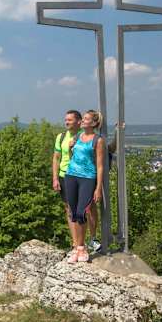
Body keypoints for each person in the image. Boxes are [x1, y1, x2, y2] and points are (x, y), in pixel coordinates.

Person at [52, 110, 101, 254]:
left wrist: (118, 136)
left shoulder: (85, 135)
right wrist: (55, 178)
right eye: (65, 119)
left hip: (85, 176)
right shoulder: (61, 137)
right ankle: (76, 243)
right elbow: (56, 157)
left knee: (88, 208)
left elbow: (103, 150)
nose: (66, 122)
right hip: (65, 175)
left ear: (78, 121)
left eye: (70, 120)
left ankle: (92, 239)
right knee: (70, 209)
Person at [64, 110, 105, 263]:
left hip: (88, 178)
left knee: (82, 212)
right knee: (73, 212)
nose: (83, 120)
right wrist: (70, 147)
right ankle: (77, 248)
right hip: (71, 175)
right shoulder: (77, 137)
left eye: (86, 119)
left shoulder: (98, 140)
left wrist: (98, 188)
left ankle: (81, 248)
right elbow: (72, 156)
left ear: (94, 123)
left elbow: (100, 166)